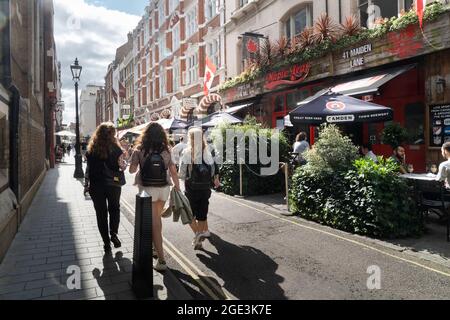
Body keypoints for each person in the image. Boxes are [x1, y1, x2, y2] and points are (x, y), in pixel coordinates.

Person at [129, 122, 181, 272]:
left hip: (147, 189)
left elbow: (132, 171)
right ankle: (154, 247)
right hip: (163, 188)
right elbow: (173, 171)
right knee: (156, 221)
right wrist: (177, 188)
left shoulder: (139, 149)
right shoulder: (166, 149)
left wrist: (130, 163)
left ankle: (162, 260)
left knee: (155, 224)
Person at [84, 122, 127, 253]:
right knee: (114, 209)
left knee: (101, 214)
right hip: (113, 185)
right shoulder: (117, 149)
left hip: (96, 186)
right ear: (112, 134)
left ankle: (106, 243)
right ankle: (113, 233)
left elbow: (88, 169)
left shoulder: (91, 149)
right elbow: (122, 166)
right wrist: (123, 164)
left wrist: (86, 185)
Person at [179, 127, 220, 250]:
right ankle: (200, 235)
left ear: (190, 138)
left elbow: (182, 173)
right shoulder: (207, 151)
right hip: (206, 189)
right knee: (202, 214)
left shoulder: (186, 152)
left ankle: (197, 235)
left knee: (189, 214)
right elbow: (213, 169)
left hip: (191, 189)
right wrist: (215, 179)